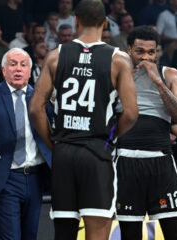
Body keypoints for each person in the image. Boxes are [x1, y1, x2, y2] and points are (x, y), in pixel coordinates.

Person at [28, 1, 138, 239]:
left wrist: (54, 143)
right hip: (96, 152)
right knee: (97, 232)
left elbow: (36, 109)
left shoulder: (55, 56)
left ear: (75, 21)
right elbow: (131, 113)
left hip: (64, 153)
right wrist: (110, 138)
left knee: (64, 232)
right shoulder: (118, 59)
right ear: (105, 22)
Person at [114, 26, 177, 240]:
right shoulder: (117, 74)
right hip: (126, 160)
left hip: (161, 160)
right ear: (129, 49)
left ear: (158, 52)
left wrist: (158, 82)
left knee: (175, 232)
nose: (146, 57)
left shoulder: (169, 74)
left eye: (151, 52)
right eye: (140, 51)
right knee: (130, 234)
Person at [0, 48, 52, 240]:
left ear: (30, 71)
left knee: (30, 235)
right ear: (4, 70)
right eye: (13, 64)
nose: (18, 69)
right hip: (6, 178)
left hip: (35, 177)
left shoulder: (40, 96)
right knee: (10, 237)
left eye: (23, 65)